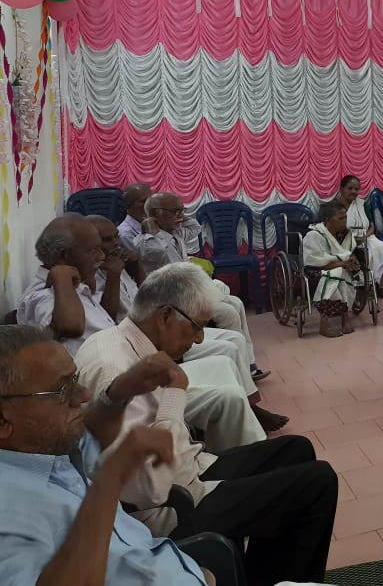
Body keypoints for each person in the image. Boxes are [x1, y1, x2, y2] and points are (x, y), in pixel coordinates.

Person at [75, 262, 338, 586]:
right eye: (196, 327)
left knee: (296, 449)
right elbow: (150, 489)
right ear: (165, 316)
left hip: (191, 472)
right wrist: (175, 394)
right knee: (317, 483)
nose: (199, 339)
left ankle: (265, 576)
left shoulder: (118, 341)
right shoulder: (115, 368)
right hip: (171, 508)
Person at [0, 325, 218, 585]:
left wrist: (119, 392)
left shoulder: (46, 447)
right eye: (61, 390)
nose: (83, 395)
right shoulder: (9, 508)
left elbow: (90, 430)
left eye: (74, 379)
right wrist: (109, 478)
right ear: (3, 420)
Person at [89, 215, 283, 441]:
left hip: (160, 317)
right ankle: (248, 418)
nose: (116, 243)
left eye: (116, 237)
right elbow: (111, 315)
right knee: (227, 336)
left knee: (231, 332)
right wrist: (118, 270)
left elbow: (142, 291)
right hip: (154, 329)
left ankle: (250, 402)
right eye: (107, 240)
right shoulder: (106, 271)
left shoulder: (121, 262)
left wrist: (135, 263)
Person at [137, 192, 267, 382]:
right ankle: (240, 370)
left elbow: (196, 227)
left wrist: (178, 215)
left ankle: (249, 364)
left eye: (182, 210)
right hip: (173, 302)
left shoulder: (176, 231)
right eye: (175, 211)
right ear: (157, 213)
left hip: (189, 293)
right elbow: (157, 250)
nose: (180, 216)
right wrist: (152, 227)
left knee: (236, 303)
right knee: (228, 312)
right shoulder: (147, 241)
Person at [18, 215, 123, 354]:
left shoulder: (74, 284)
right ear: (64, 256)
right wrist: (61, 277)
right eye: (93, 250)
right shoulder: (44, 295)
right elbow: (70, 326)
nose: (101, 256)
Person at [302, 200, 361, 338]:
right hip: (316, 269)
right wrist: (342, 263)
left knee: (342, 272)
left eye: (345, 217)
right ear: (328, 220)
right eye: (341, 218)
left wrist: (351, 258)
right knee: (336, 274)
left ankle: (345, 317)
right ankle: (325, 323)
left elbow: (344, 253)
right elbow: (315, 262)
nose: (344, 221)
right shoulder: (314, 235)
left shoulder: (344, 234)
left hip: (337, 267)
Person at [334, 175, 383, 281]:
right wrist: (351, 239)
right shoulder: (334, 207)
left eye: (356, 189)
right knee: (367, 252)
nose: (353, 191)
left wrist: (364, 237)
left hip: (364, 238)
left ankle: (378, 282)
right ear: (341, 189)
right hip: (343, 240)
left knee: (381, 247)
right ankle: (363, 283)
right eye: (350, 188)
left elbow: (372, 226)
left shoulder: (361, 205)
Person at [119, 182, 151, 252]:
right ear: (128, 205)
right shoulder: (125, 234)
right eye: (143, 201)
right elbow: (148, 258)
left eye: (150, 200)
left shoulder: (153, 223)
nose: (149, 205)